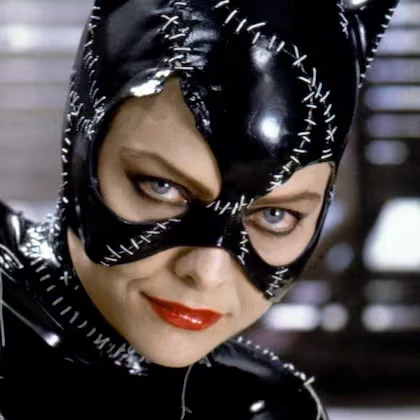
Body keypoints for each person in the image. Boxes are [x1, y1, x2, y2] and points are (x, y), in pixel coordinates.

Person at [0, 0, 398, 418]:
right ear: (80, 144)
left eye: (275, 216)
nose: (206, 272)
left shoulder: (264, 407)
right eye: (162, 187)